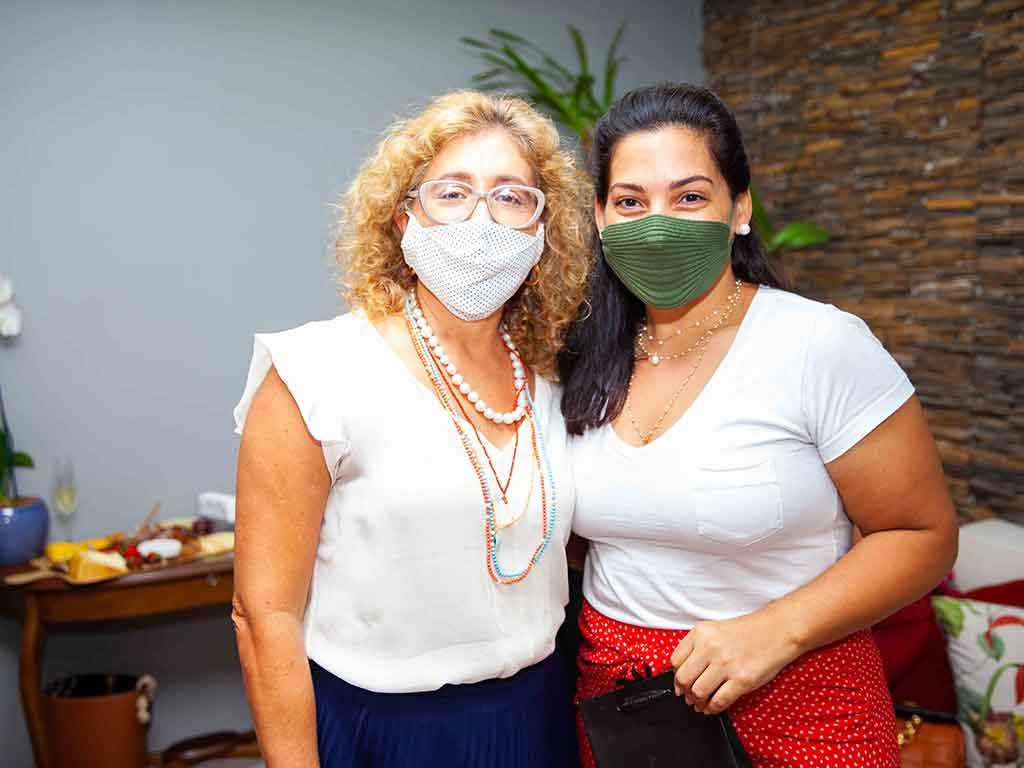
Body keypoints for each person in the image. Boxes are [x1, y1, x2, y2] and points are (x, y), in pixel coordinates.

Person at [559, 83, 959, 768]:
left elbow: (923, 535)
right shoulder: (578, 353)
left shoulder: (817, 343)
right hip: (626, 713)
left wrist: (774, 631)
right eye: (631, 201)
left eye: (689, 196)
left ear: (739, 208)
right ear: (600, 217)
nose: (658, 224)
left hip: (803, 700)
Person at [231, 90, 590, 768]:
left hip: (537, 715)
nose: (481, 218)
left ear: (542, 230)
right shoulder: (317, 370)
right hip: (380, 728)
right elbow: (263, 615)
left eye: (512, 197)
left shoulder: (549, 382)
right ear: (404, 219)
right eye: (452, 193)